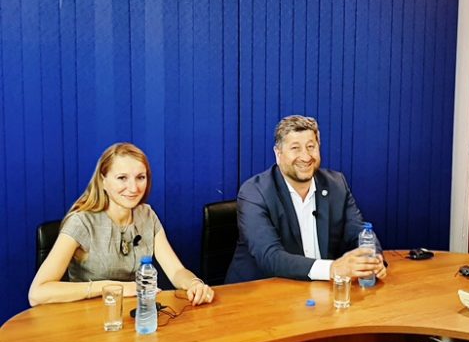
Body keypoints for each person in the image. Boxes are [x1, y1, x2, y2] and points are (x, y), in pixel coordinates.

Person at [28, 143, 215, 306]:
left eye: (140, 177)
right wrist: (111, 287)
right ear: (103, 181)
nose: (133, 188)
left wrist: (194, 283)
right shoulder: (81, 222)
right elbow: (37, 293)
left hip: (132, 316)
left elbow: (176, 271)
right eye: (122, 178)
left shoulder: (147, 215)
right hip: (87, 319)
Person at [226, 115, 386, 283]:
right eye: (295, 148)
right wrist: (332, 269)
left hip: (320, 290)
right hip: (261, 290)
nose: (305, 156)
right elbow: (270, 256)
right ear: (278, 153)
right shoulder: (254, 192)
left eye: (311, 147)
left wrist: (372, 260)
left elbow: (359, 232)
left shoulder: (336, 184)